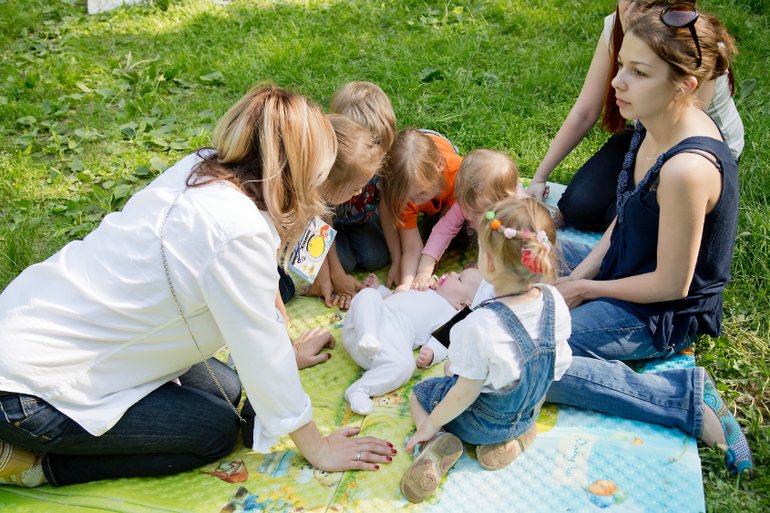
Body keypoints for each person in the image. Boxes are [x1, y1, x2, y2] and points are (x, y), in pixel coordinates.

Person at [0, 85, 395, 488]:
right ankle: (31, 466)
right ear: (302, 170)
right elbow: (263, 352)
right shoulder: (236, 231)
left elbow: (262, 309)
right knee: (215, 433)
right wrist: (319, 449)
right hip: (28, 392)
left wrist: (287, 351)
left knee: (230, 388)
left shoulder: (205, 167)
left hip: (37, 327)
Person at [547, 5, 754, 478]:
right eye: (622, 65)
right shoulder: (651, 124)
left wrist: (584, 291)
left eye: (638, 72)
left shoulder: (688, 168)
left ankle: (684, 399)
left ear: (684, 87)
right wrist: (578, 274)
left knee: (538, 356)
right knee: (522, 252)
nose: (617, 82)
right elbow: (623, 216)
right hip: (625, 264)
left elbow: (671, 285)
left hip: (659, 309)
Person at [400, 198, 573, 504]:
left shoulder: (480, 324)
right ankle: (515, 439)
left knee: (423, 392)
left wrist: (430, 424)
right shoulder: (554, 301)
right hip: (527, 412)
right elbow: (558, 366)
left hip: (481, 422)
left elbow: (464, 394)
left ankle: (437, 443)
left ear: (489, 264)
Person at [527, 0, 744, 232]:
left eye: (643, 4)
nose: (629, 13)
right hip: (644, 128)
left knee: (625, 221)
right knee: (579, 207)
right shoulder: (617, 25)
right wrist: (540, 177)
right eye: (626, 0)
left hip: (688, 147)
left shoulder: (692, 45)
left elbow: (679, 136)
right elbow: (585, 111)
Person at [341, 268, 493, 415]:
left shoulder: (454, 318)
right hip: (366, 322)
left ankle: (360, 390)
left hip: (393, 338)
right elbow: (398, 295)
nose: (452, 273)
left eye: (460, 278)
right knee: (368, 295)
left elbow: (442, 343)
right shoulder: (426, 287)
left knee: (405, 366)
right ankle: (368, 334)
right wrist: (378, 289)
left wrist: (431, 354)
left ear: (463, 305)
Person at [302, 82, 398, 309]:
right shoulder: (326, 171)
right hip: (319, 222)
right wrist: (335, 274)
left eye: (380, 148)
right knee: (334, 264)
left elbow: (385, 208)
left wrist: (398, 258)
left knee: (378, 256)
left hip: (356, 220)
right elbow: (319, 220)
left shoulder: (381, 160)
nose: (376, 156)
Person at [410, 149, 526, 291]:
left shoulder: (514, 213)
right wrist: (424, 271)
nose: (470, 216)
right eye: (465, 207)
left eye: (477, 213)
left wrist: (483, 265)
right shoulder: (466, 204)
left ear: (502, 203)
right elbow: (442, 232)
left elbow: (519, 250)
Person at [380, 128, 463, 292]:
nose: (416, 201)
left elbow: (444, 229)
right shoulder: (404, 195)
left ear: (439, 166)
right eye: (410, 198)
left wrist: (431, 259)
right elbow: (411, 248)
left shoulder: (460, 174)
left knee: (456, 233)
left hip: (441, 158)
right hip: (433, 177)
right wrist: (407, 283)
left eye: (422, 193)